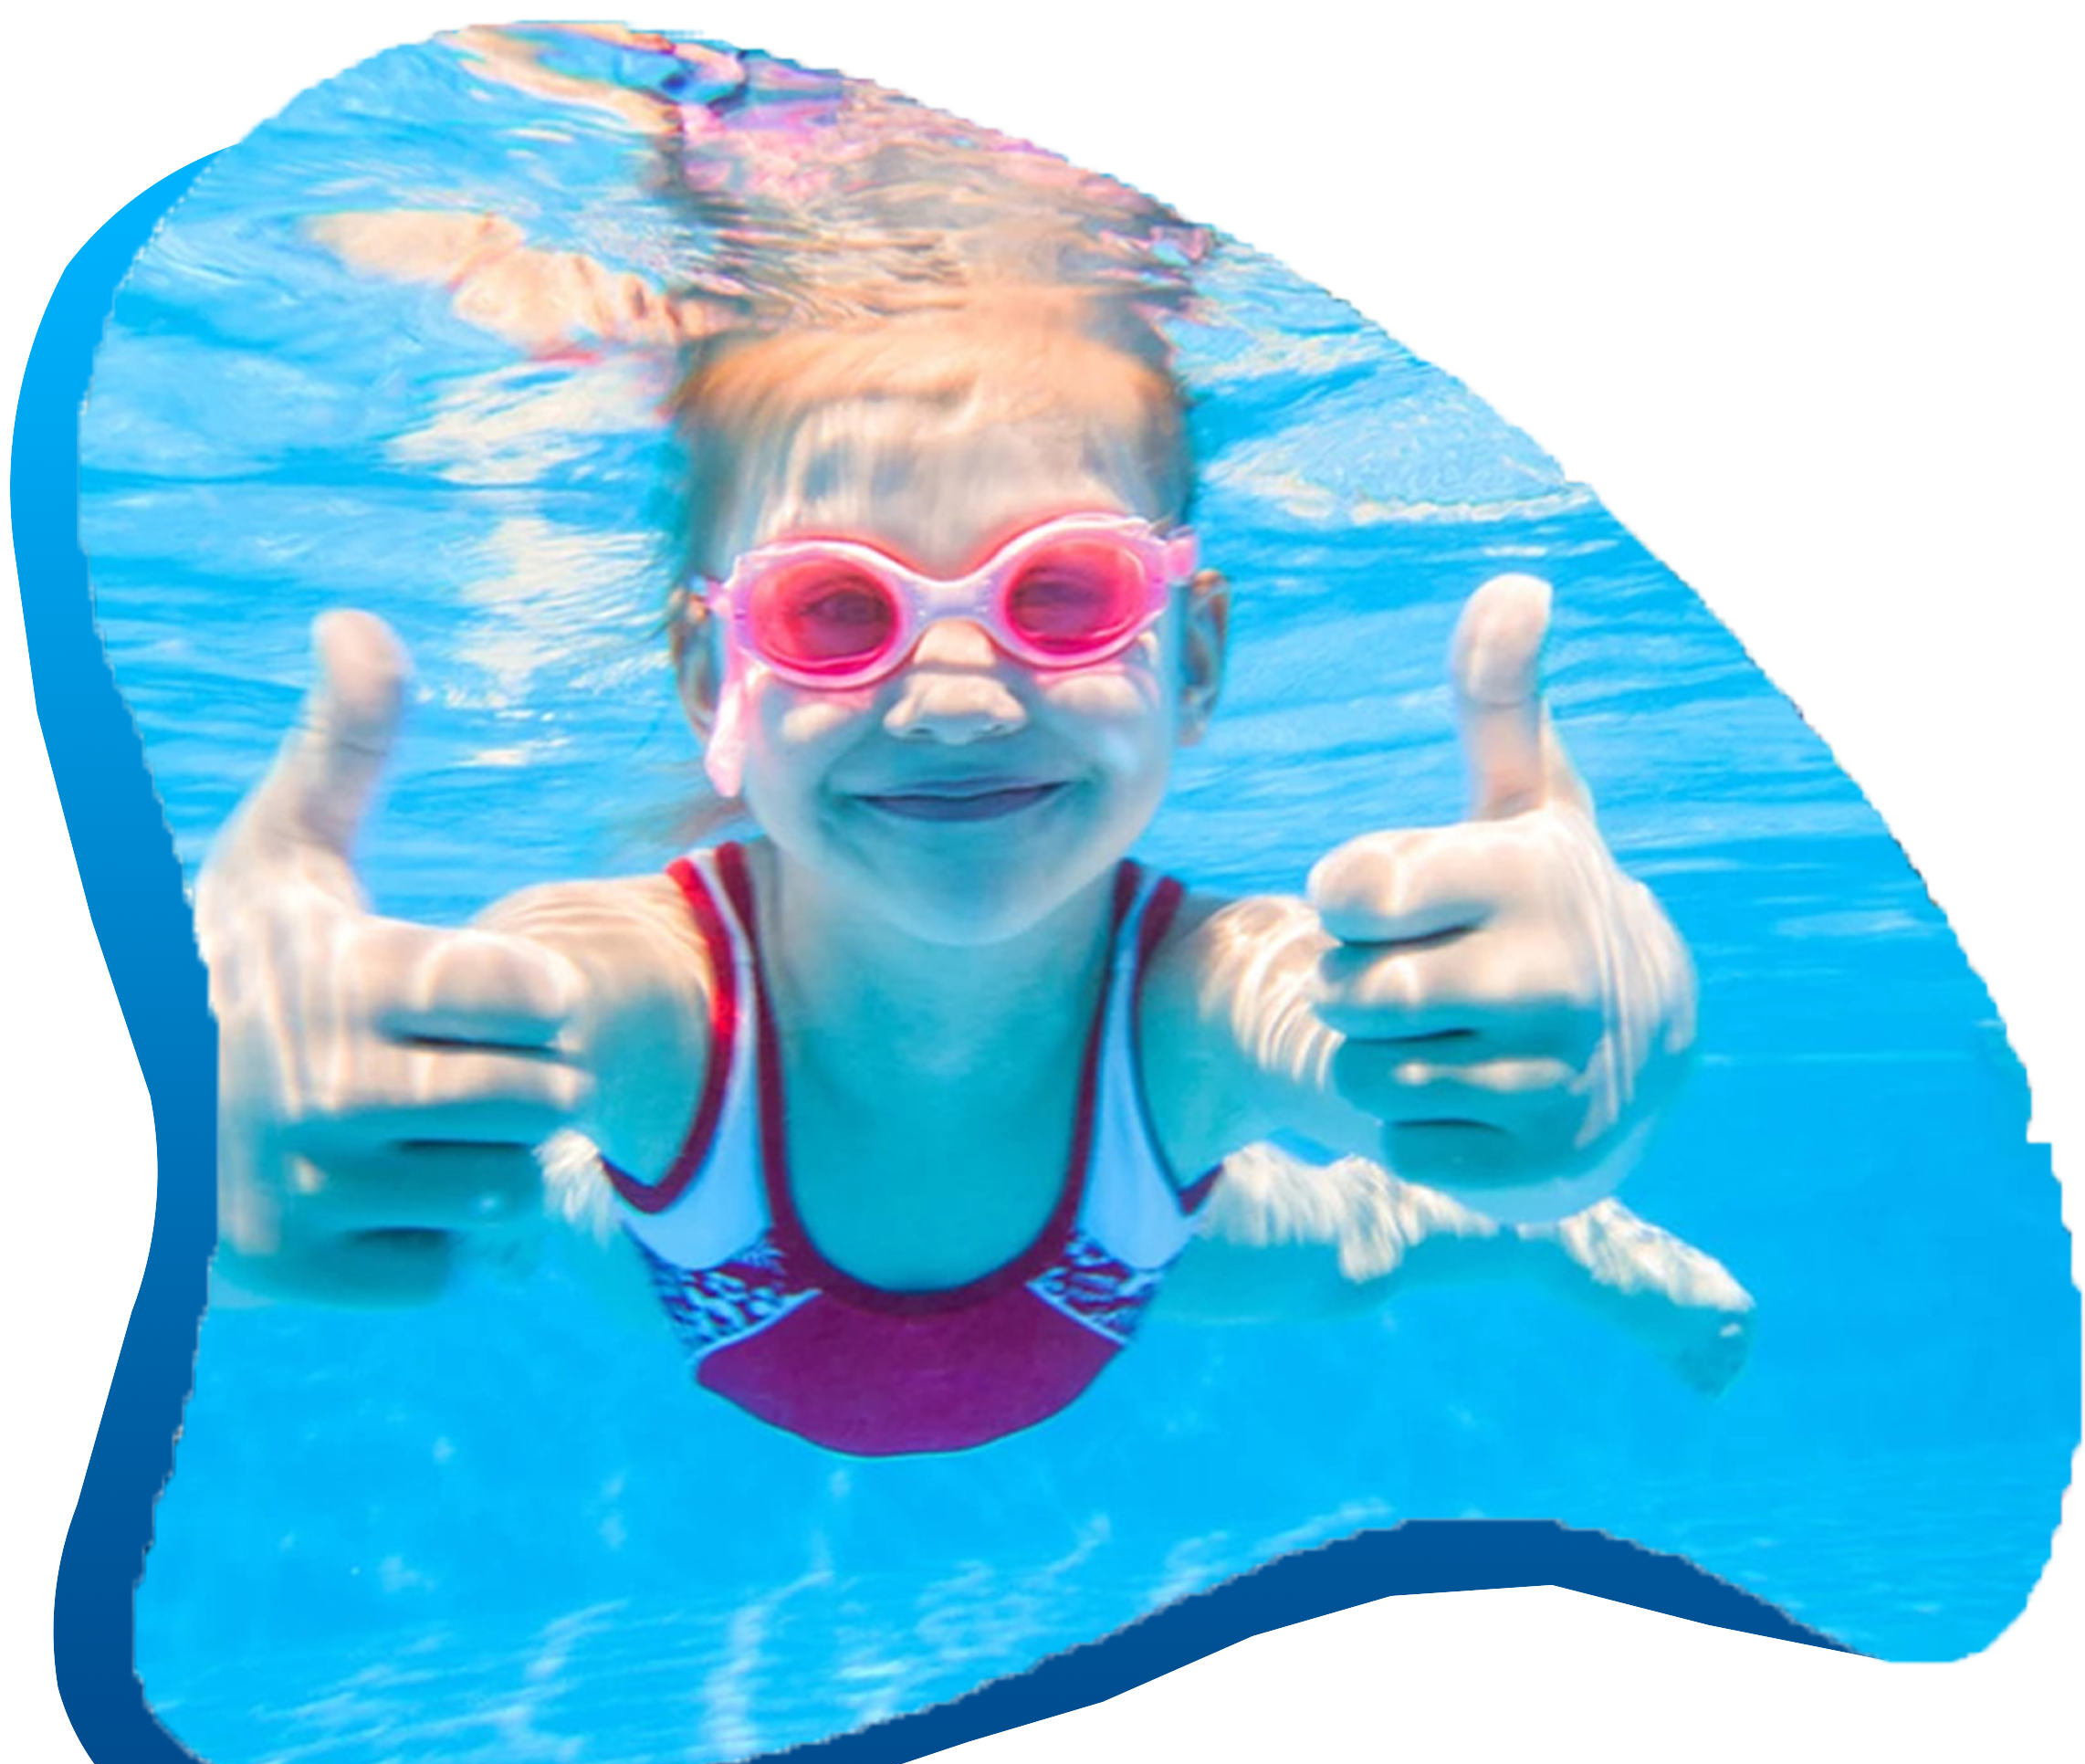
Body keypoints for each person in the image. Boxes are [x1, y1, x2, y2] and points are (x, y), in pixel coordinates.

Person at [194, 30, 1748, 1457]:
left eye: (1063, 593)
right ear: (710, 677)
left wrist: (1526, 1086)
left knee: (1361, 1253)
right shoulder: (651, 995)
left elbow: (1368, 1060)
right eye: (833, 610)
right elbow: (492, 1021)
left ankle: (1552, 1253)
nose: (950, 701)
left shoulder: (1208, 996)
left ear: (1196, 658)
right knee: (513, 1207)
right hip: (690, 1275)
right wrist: (224, 1126)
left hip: (1103, 1268)